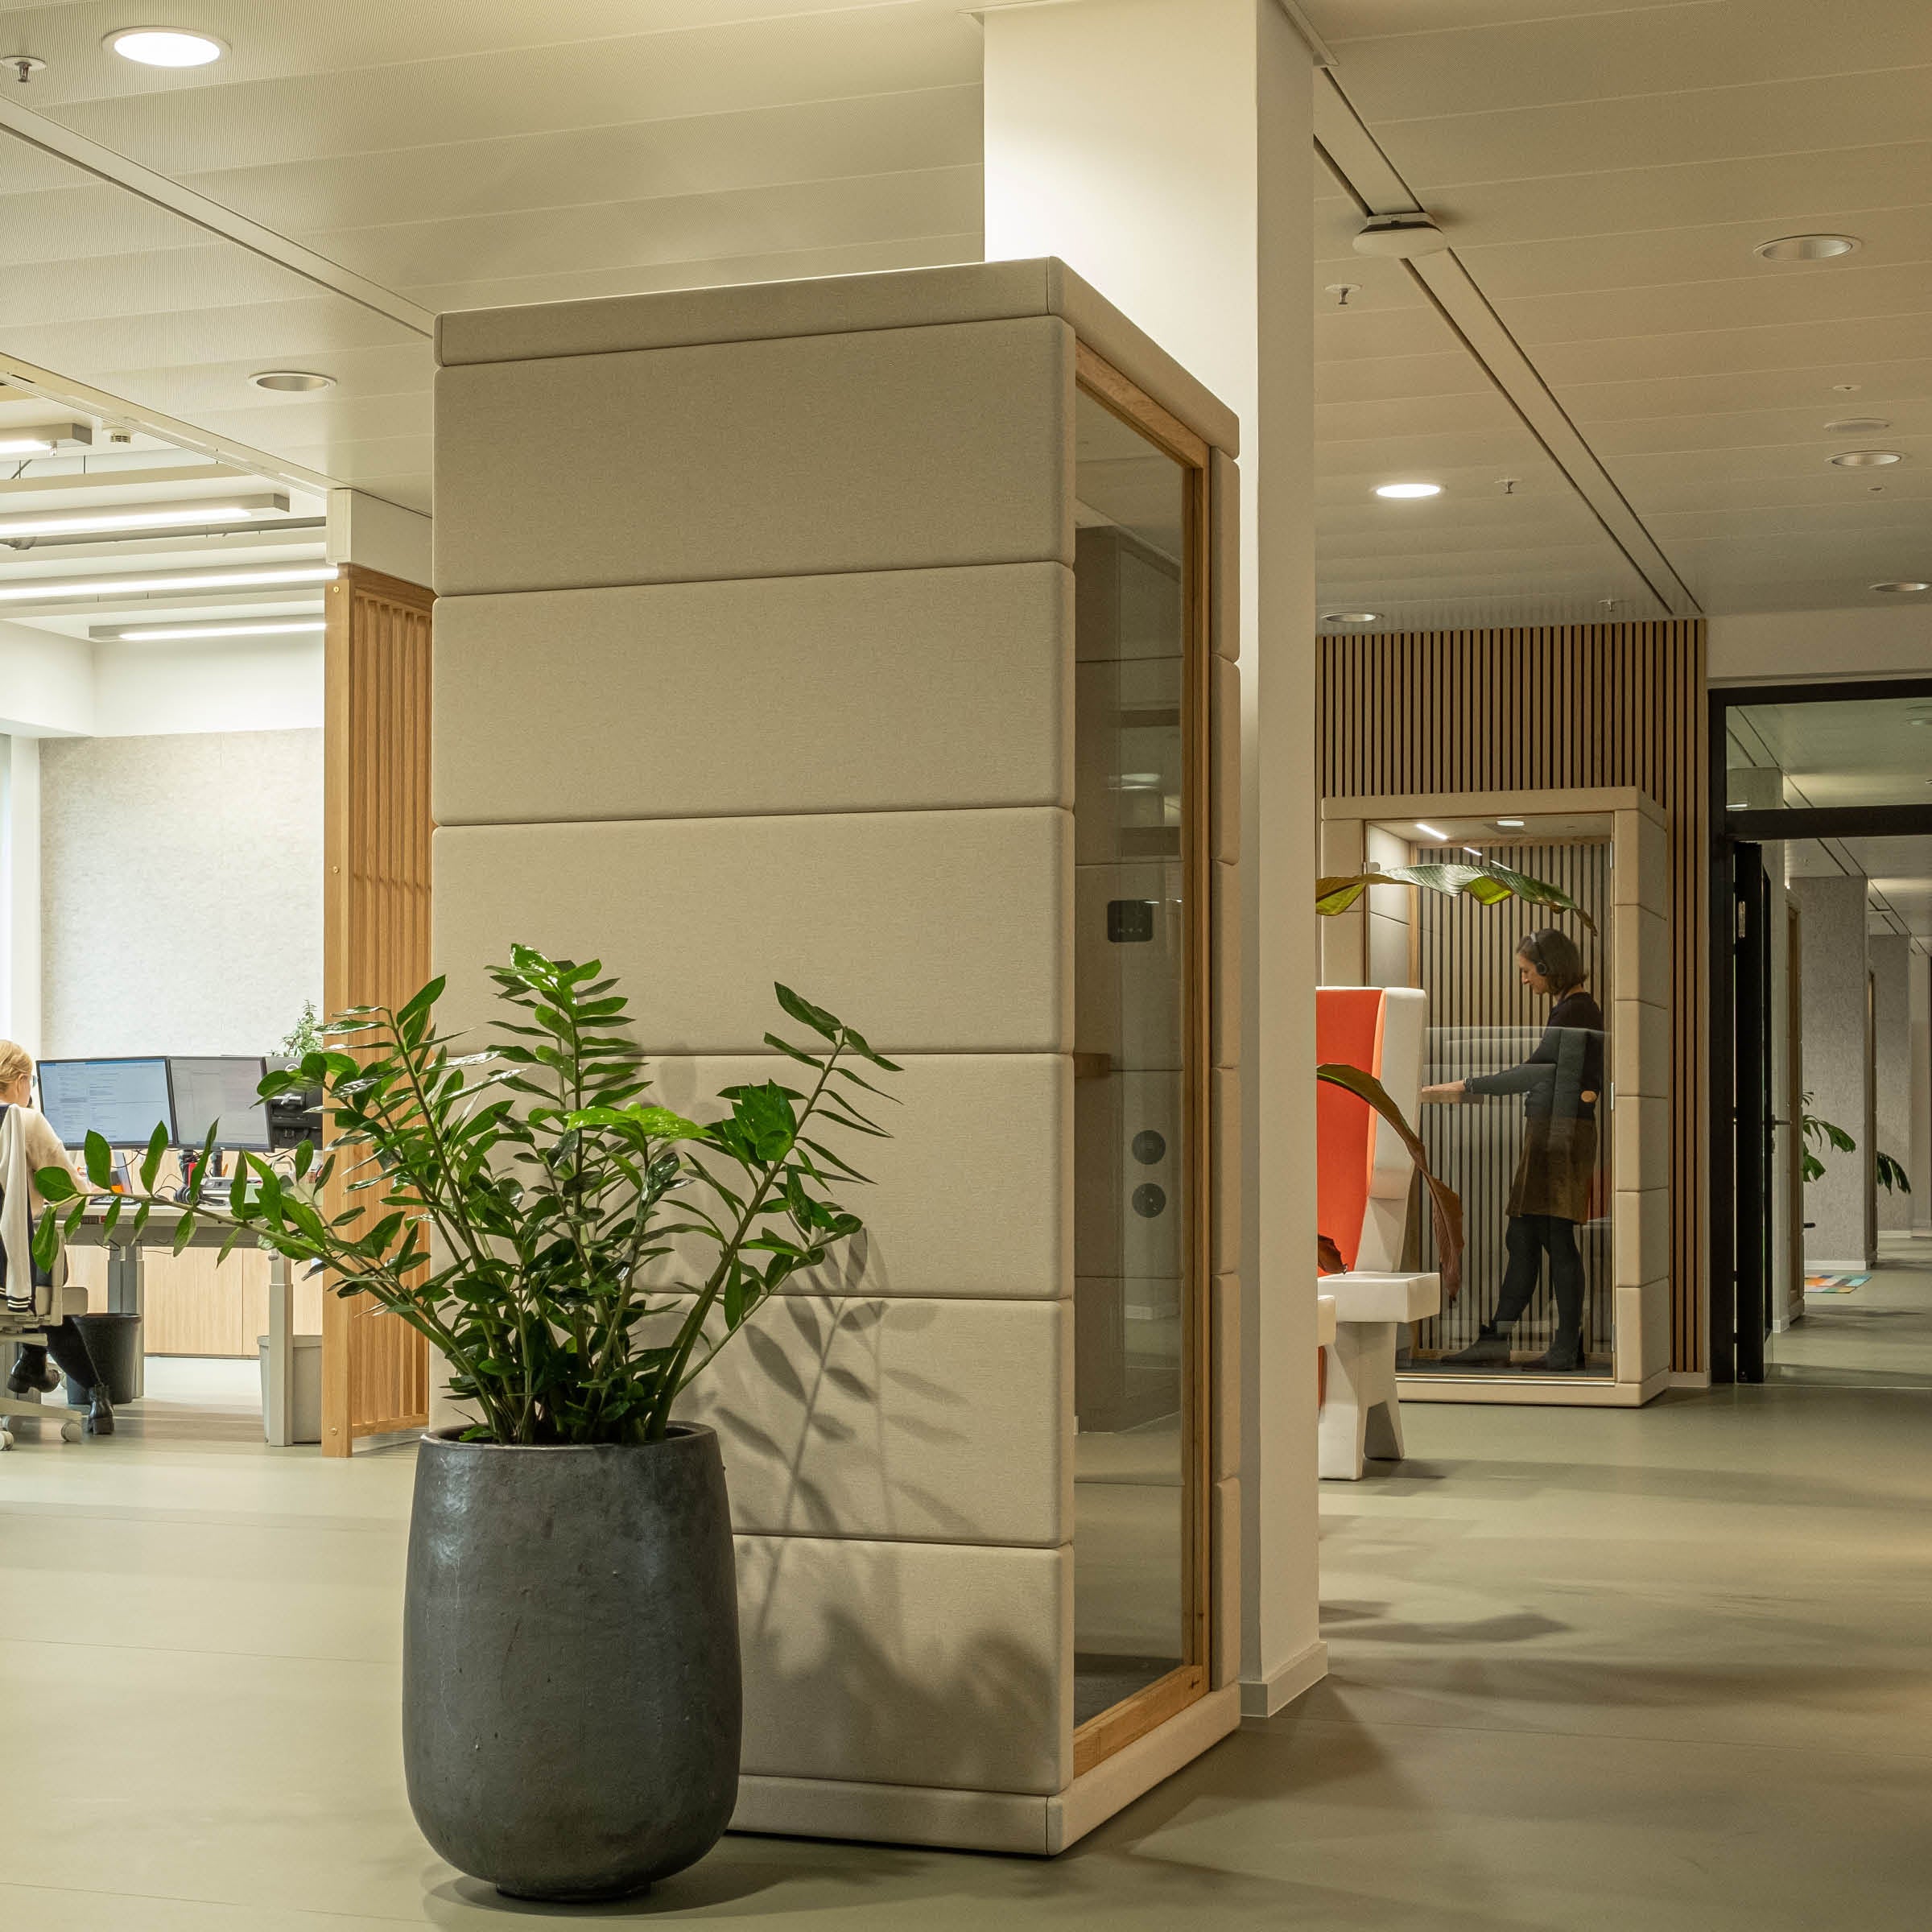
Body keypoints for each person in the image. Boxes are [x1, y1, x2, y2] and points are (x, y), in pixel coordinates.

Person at [1421, 928, 1604, 1373]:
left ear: (1547, 968)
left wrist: (1467, 1085)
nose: (1524, 981)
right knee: (1523, 1236)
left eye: (1526, 971)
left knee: (1556, 1238)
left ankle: (1562, 1346)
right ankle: (1499, 1340)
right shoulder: (1571, 1010)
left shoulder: (1576, 1011)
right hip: (1552, 1131)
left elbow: (1536, 1073)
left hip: (1559, 1135)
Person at [0, 1040, 114, 1433]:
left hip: (7, 1276)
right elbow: (66, 1189)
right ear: (20, 1080)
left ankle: (30, 1365)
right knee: (49, 1300)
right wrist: (94, 1185)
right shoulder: (24, 1121)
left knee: (36, 1287)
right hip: (16, 1273)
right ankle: (99, 1395)